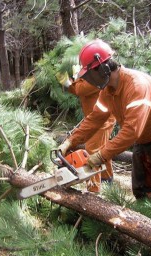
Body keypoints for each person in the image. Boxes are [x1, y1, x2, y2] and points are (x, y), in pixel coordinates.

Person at [58, 39, 151, 238]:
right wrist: (70, 142)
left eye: (90, 73)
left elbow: (131, 131)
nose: (89, 79)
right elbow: (95, 119)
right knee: (141, 190)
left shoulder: (137, 85)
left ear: (103, 68)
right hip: (143, 142)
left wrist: (99, 156)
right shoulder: (107, 91)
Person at [56, 65, 115, 193]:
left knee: (92, 151)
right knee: (103, 149)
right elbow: (77, 88)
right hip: (95, 118)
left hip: (102, 120)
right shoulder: (89, 77)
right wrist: (67, 80)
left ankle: (94, 190)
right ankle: (107, 181)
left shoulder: (96, 78)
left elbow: (80, 89)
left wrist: (72, 78)